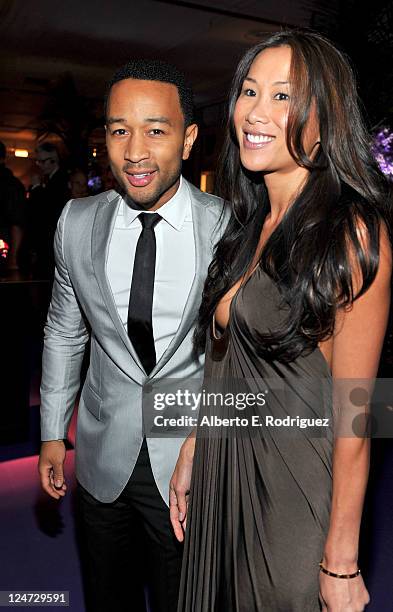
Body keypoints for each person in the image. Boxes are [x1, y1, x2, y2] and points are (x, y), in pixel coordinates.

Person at [170, 31, 392, 611]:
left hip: (291, 493)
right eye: (249, 91)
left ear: (325, 118)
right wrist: (195, 441)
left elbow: (361, 416)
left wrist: (341, 562)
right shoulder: (244, 229)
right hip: (221, 471)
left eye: (284, 96)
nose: (256, 112)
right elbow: (223, 362)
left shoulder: (353, 234)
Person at [38, 60, 225, 612]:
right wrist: (53, 432)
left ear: (189, 140)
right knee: (107, 595)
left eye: (156, 130)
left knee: (184, 599)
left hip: (191, 462)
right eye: (120, 130)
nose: (135, 151)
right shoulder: (77, 221)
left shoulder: (229, 227)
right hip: (101, 455)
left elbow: (241, 357)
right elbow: (64, 331)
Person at [28, 142, 70, 277]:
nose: (39, 165)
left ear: (53, 161)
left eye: (42, 161)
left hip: (53, 240)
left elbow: (46, 210)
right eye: (38, 161)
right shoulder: (54, 179)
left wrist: (36, 188)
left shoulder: (60, 180)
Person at [0, 140, 26, 271]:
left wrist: (13, 259)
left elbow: (17, 224)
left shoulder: (11, 186)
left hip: (3, 249)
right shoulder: (13, 185)